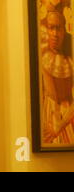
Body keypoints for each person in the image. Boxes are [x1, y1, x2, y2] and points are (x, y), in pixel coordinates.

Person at [41, 11, 74, 144]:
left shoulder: (69, 59)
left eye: (58, 28)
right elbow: (51, 94)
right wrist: (57, 124)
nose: (55, 34)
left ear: (63, 30)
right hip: (50, 111)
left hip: (68, 113)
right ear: (46, 30)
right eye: (51, 28)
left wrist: (61, 123)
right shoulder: (44, 57)